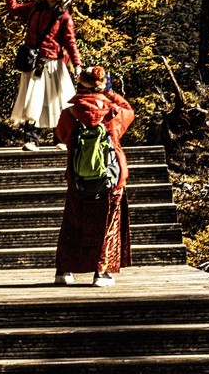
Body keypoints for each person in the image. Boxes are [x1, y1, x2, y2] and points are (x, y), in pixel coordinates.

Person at [53, 66, 135, 287]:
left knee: (73, 223)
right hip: (111, 177)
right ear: (102, 85)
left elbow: (61, 135)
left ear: (79, 85)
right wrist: (110, 93)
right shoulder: (114, 112)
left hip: (78, 177)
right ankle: (102, 272)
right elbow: (130, 111)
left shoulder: (69, 113)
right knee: (107, 224)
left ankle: (63, 271)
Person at [5, 0, 82, 150]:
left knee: (58, 102)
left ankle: (60, 140)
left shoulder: (64, 18)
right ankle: (31, 140)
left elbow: (70, 42)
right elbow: (12, 8)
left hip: (54, 65)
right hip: (34, 62)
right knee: (32, 101)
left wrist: (77, 63)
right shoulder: (34, 8)